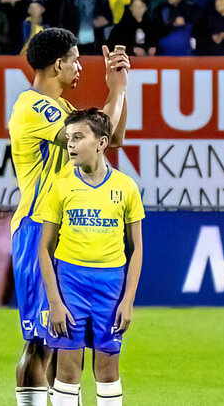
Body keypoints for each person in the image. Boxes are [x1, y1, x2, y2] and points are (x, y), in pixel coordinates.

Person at [8, 28, 130, 406]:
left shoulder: (60, 109)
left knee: (63, 341)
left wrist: (119, 91)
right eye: (75, 59)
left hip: (69, 232)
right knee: (41, 339)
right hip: (37, 229)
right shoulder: (34, 106)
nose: (79, 67)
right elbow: (97, 133)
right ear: (57, 64)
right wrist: (117, 89)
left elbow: (112, 139)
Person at [36, 108, 145, 406]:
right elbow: (44, 249)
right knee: (68, 370)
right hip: (70, 283)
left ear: (101, 142)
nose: (71, 144)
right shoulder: (60, 187)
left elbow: (136, 249)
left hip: (111, 286)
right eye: (69, 138)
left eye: (79, 137)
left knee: (108, 371)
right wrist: (55, 303)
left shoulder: (126, 187)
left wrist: (128, 300)